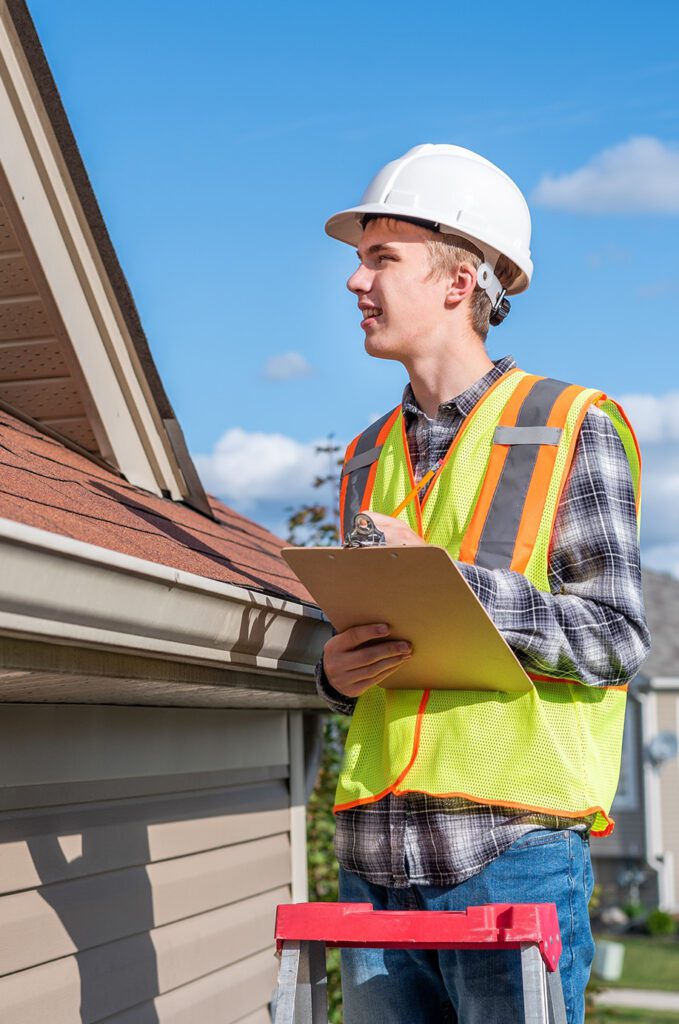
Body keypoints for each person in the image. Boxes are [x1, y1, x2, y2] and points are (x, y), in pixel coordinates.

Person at [315, 144, 651, 1024]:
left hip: (508, 852)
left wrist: (447, 582)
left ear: (459, 281)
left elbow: (616, 636)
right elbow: (376, 652)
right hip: (374, 859)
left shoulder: (567, 425)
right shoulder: (361, 460)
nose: (355, 281)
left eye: (380, 258)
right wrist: (333, 675)